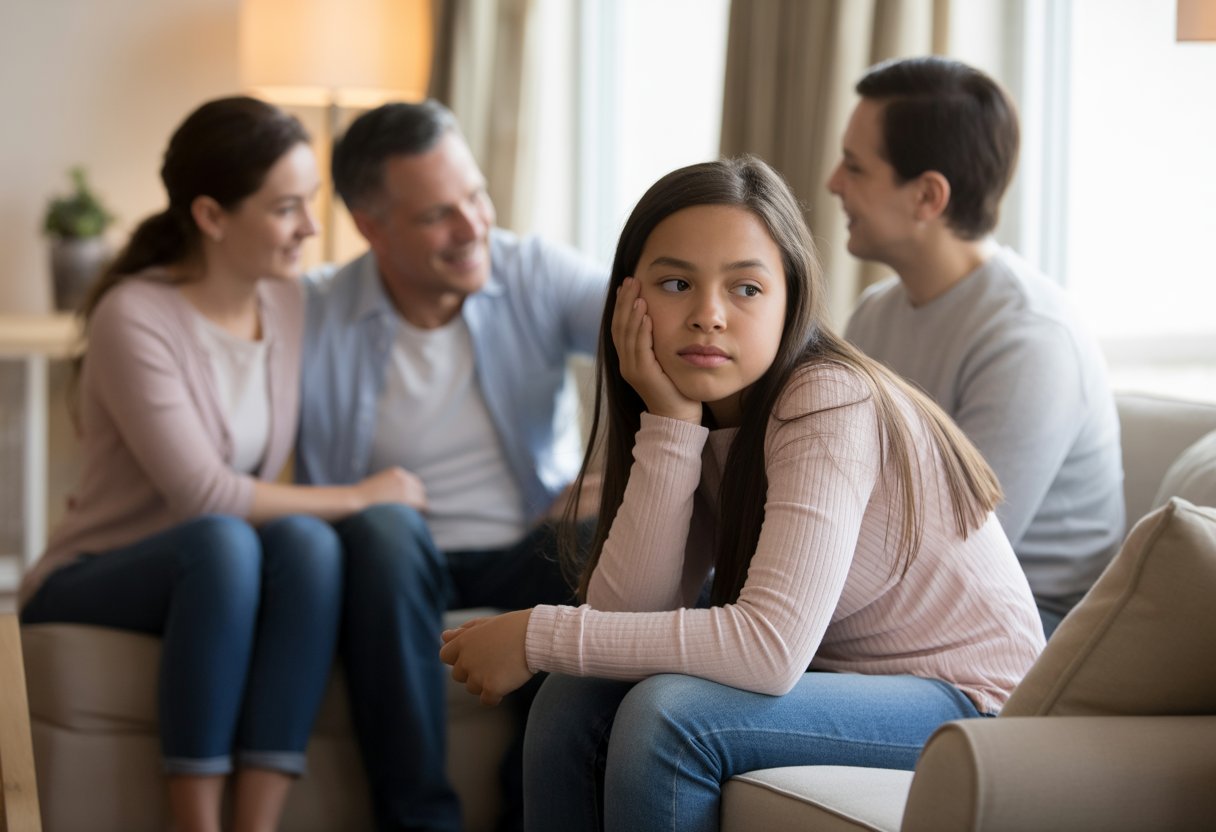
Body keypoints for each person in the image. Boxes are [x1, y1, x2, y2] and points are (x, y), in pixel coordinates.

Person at [438, 156, 1045, 832]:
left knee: (669, 718)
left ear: (791, 300)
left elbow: (769, 647)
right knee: (575, 696)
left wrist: (535, 633)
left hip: (974, 703)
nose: (708, 316)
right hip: (848, 677)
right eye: (675, 284)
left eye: (746, 289)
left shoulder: (826, 398)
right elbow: (628, 611)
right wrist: (669, 423)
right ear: (627, 301)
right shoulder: (707, 413)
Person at [18, 96, 425, 832]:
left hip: (213, 562)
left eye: (310, 204)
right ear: (211, 216)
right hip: (93, 574)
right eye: (287, 208)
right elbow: (204, 493)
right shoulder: (133, 316)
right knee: (224, 538)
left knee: (304, 544)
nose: (309, 227)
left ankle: (255, 825)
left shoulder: (292, 302)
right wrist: (361, 495)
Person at [296, 100, 608, 832]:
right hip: (394, 562)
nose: (474, 229)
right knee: (383, 530)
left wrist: (627, 478)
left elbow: (662, 333)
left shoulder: (531, 271)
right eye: (440, 214)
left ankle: (529, 813)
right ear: (370, 227)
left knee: (594, 538)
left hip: (522, 545)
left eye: (475, 195)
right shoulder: (311, 312)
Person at [830, 56, 1124, 636]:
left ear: (927, 197)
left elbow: (955, 561)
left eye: (855, 167)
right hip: (895, 591)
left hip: (1015, 628)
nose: (833, 183)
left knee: (679, 684)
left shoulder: (1029, 340)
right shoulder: (875, 313)